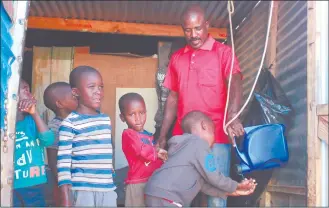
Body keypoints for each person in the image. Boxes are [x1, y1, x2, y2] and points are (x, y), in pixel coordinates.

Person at [156, 4, 245, 207]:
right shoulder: (177, 58)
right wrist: (162, 135)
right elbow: (171, 98)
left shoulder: (223, 53)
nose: (193, 34)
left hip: (217, 139)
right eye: (187, 30)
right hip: (183, 140)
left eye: (197, 28)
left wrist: (233, 115)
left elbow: (235, 82)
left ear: (207, 25)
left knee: (216, 197)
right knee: (182, 194)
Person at [145, 111, 256, 207]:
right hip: (169, 196)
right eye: (213, 133)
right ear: (204, 126)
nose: (214, 141)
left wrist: (233, 192)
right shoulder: (199, 144)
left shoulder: (181, 150)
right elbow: (214, 176)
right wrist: (236, 185)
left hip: (154, 191)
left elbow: (203, 186)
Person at [57, 66, 117, 207]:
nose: (98, 92)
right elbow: (63, 164)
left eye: (101, 87)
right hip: (83, 190)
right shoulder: (69, 124)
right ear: (75, 92)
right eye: (92, 87)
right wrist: (66, 198)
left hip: (107, 188)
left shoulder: (105, 119)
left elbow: (107, 150)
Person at [119, 92, 168, 207]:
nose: (138, 118)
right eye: (132, 114)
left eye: (141, 113)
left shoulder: (149, 135)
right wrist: (157, 153)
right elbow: (140, 149)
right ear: (122, 117)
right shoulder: (128, 134)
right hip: (137, 183)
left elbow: (155, 156)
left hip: (152, 181)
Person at [13, 79, 55, 207]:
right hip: (11, 185)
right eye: (25, 89)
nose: (29, 93)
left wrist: (34, 113)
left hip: (35, 183)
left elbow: (48, 140)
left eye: (29, 89)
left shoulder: (33, 121)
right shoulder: (5, 124)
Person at [43, 82, 78, 206]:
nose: (78, 98)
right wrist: (63, 186)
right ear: (60, 104)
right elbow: (53, 160)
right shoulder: (55, 126)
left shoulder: (77, 121)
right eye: (73, 97)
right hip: (66, 184)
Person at [153, 39, 186, 147]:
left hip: (166, 124)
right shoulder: (164, 74)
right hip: (168, 124)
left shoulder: (163, 72)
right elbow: (171, 100)